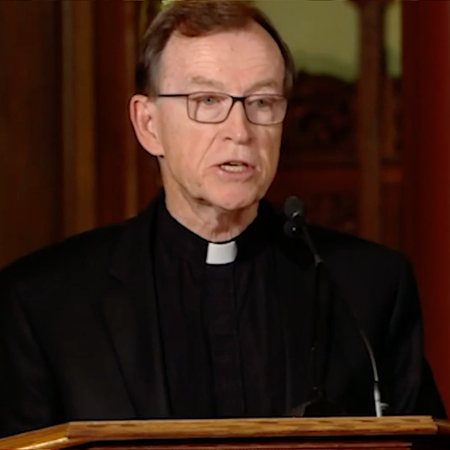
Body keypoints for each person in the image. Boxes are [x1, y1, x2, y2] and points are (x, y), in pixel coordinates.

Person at [0, 0, 445, 439]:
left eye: (263, 102)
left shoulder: (368, 288)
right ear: (148, 124)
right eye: (207, 100)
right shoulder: (45, 304)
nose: (241, 130)